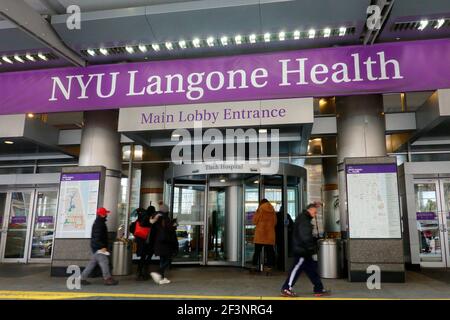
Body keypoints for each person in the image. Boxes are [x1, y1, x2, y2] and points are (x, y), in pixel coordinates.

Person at [281, 203, 329, 297]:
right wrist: (311, 247)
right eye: (314, 212)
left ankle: (319, 288)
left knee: (311, 270)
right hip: (302, 250)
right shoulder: (304, 220)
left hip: (304, 250)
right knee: (296, 269)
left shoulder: (303, 217)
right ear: (310, 210)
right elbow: (305, 236)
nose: (315, 215)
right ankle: (286, 288)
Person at [80, 207, 118, 286]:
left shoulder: (99, 222)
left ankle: (82, 278)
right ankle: (107, 279)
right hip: (99, 247)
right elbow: (97, 237)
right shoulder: (99, 224)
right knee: (104, 262)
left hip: (96, 247)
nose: (106, 214)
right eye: (105, 213)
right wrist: (102, 247)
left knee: (92, 263)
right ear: (102, 214)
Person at [150, 208, 179, 285]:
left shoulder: (155, 220)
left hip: (158, 243)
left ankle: (161, 278)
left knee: (162, 260)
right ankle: (158, 272)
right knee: (168, 259)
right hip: (165, 243)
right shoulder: (165, 219)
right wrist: (174, 225)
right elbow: (170, 230)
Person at [252, 199, 277, 273]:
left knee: (257, 252)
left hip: (260, 234)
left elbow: (254, 221)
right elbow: (275, 222)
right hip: (269, 234)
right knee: (269, 252)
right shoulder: (272, 210)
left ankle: (253, 267)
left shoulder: (260, 209)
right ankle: (269, 268)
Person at [130, 207, 155, 281]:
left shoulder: (139, 217)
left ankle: (140, 272)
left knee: (143, 256)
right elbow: (149, 228)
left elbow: (131, 228)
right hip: (145, 240)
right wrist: (151, 223)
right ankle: (143, 273)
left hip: (140, 240)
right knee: (147, 256)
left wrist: (136, 235)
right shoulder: (148, 218)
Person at [275, 205, 294, 270]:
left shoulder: (276, 215)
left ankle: (279, 265)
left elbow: (274, 225)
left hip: (278, 236)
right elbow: (291, 225)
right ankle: (284, 265)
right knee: (285, 251)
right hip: (286, 237)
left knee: (279, 251)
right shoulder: (287, 215)